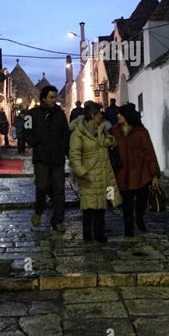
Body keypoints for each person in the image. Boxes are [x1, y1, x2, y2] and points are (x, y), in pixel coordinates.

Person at [69, 100, 122, 243]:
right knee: (89, 207)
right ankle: (88, 234)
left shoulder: (101, 128)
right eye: (99, 114)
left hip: (103, 170)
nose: (102, 116)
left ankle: (99, 233)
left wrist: (110, 141)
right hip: (89, 173)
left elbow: (106, 141)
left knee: (101, 205)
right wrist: (81, 171)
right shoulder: (78, 133)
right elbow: (74, 155)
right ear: (92, 115)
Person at [110, 104, 160, 237]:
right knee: (126, 204)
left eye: (120, 114)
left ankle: (139, 218)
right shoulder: (113, 131)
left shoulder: (141, 132)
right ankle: (129, 229)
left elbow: (149, 152)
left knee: (141, 201)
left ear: (127, 116)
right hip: (123, 174)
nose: (117, 116)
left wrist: (154, 174)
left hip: (141, 173)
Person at [25, 86, 70, 232]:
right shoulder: (32, 114)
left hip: (57, 158)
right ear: (43, 98)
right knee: (42, 186)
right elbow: (26, 133)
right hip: (41, 157)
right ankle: (39, 210)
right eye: (51, 97)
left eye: (55, 97)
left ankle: (57, 220)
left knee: (59, 190)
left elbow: (65, 133)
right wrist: (36, 143)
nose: (54, 100)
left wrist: (65, 150)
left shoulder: (60, 114)